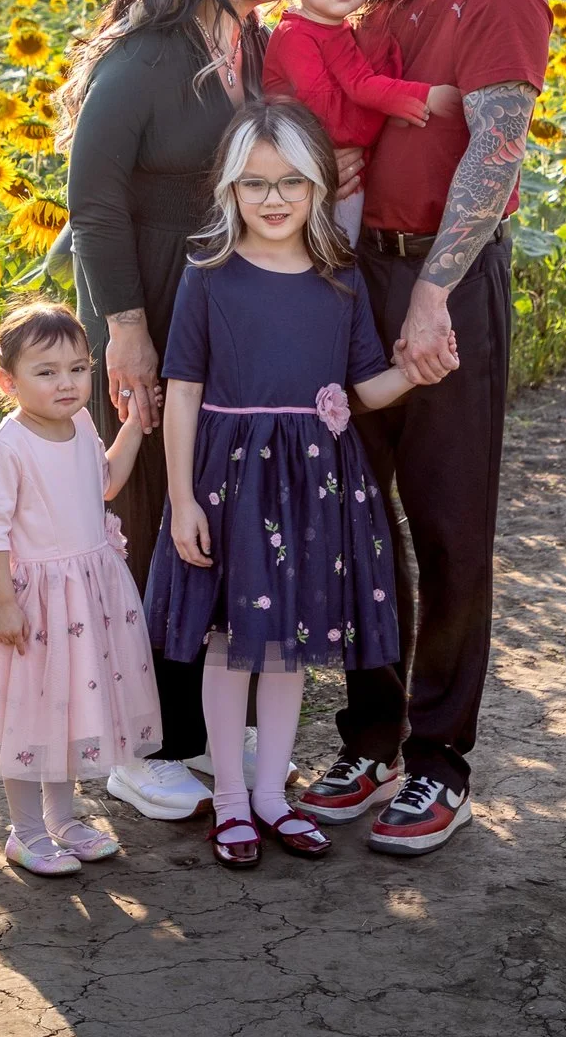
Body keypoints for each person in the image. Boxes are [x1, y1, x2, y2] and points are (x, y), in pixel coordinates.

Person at [299, 0, 552, 856]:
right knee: (361, 519)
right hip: (360, 275)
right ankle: (371, 735)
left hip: (443, 283)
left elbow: (495, 151)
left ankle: (439, 763)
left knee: (449, 529)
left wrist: (435, 292)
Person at [61, 0, 291, 821]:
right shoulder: (148, 56)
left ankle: (194, 726)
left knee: (213, 505)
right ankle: (132, 742)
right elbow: (94, 195)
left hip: (222, 302)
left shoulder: (253, 47)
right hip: (147, 297)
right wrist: (125, 331)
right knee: (148, 514)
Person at [143, 100, 417, 866]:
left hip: (312, 485)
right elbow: (185, 391)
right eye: (255, 183)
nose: (273, 199)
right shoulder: (211, 279)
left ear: (318, 188)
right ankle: (230, 798)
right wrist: (182, 498)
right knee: (232, 645)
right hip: (230, 483)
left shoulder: (340, 280)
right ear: (230, 189)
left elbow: (364, 385)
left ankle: (272, 796)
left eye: (291, 182)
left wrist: (415, 370)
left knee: (288, 647)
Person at [0, 301, 162, 876]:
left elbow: (105, 482)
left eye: (78, 369)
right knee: (31, 712)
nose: (67, 383)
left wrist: (133, 425)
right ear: (9, 382)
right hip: (33, 600)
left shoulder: (82, 423)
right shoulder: (8, 446)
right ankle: (26, 830)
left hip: (87, 595)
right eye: (47, 372)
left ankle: (63, 820)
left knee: (69, 709)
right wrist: (5, 605)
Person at [261, 0, 460, 239]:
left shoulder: (336, 30)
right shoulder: (295, 35)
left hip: (332, 175)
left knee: (343, 258)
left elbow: (358, 85)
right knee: (321, 259)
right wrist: (419, 98)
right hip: (301, 177)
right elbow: (326, 114)